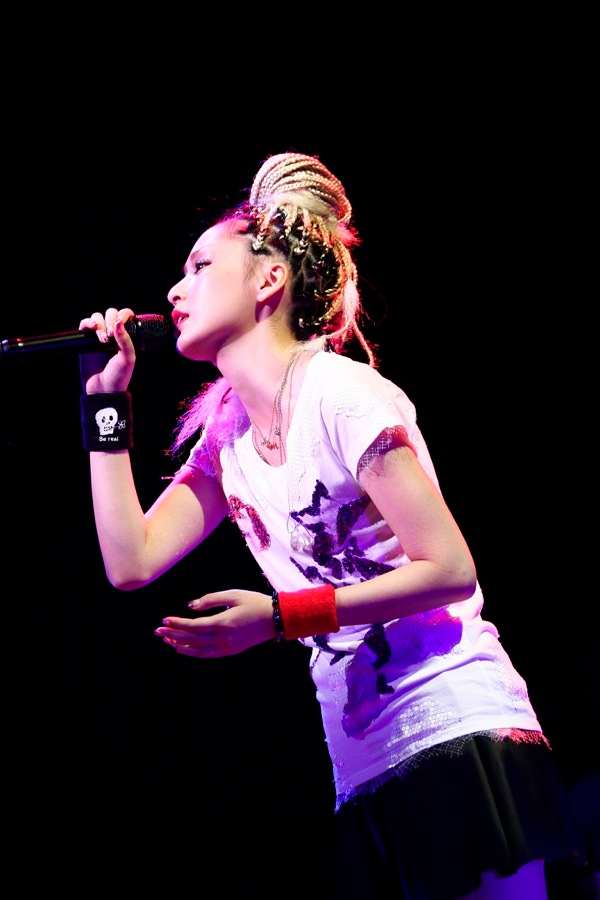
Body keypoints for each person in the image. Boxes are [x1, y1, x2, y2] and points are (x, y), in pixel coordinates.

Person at [78, 151, 585, 899]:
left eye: (200, 266)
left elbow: (450, 569)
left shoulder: (341, 396)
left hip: (454, 718)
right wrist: (104, 407)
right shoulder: (228, 440)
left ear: (268, 279)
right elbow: (132, 561)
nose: (174, 290)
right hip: (363, 753)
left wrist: (281, 617)